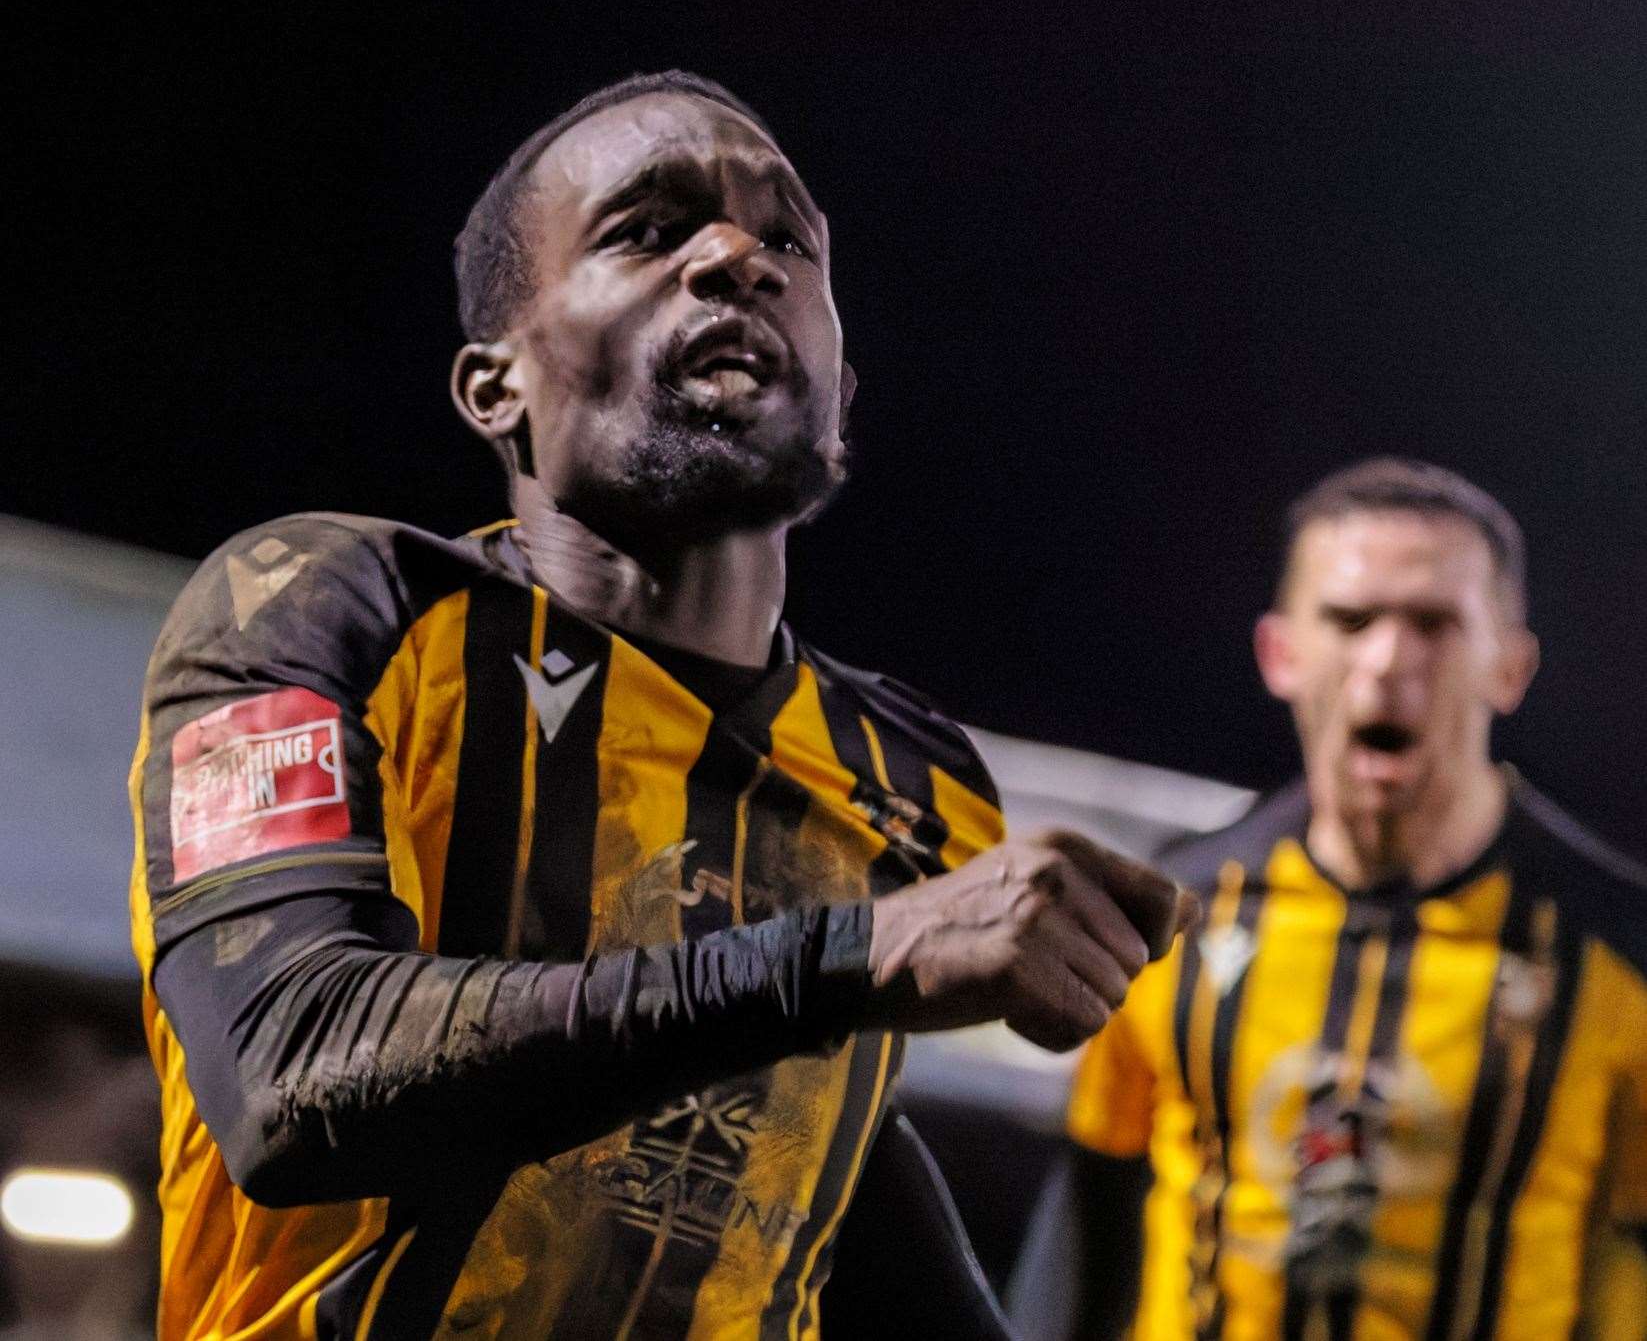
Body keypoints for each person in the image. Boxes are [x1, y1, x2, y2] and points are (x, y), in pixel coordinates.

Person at [127, 71, 1190, 1340]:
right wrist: (861, 953)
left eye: (786, 240)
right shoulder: (323, 602)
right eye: (646, 228)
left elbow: (817, 1178)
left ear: (843, 392)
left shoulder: (919, 779)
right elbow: (288, 1075)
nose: (737, 256)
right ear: (495, 388)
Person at [1052, 458, 1647, 1339]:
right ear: (1280, 654)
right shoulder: (1172, 914)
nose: (1387, 660)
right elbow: (1086, 1226)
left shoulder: (1616, 955)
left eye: (1434, 622)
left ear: (1510, 667)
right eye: (1350, 618)